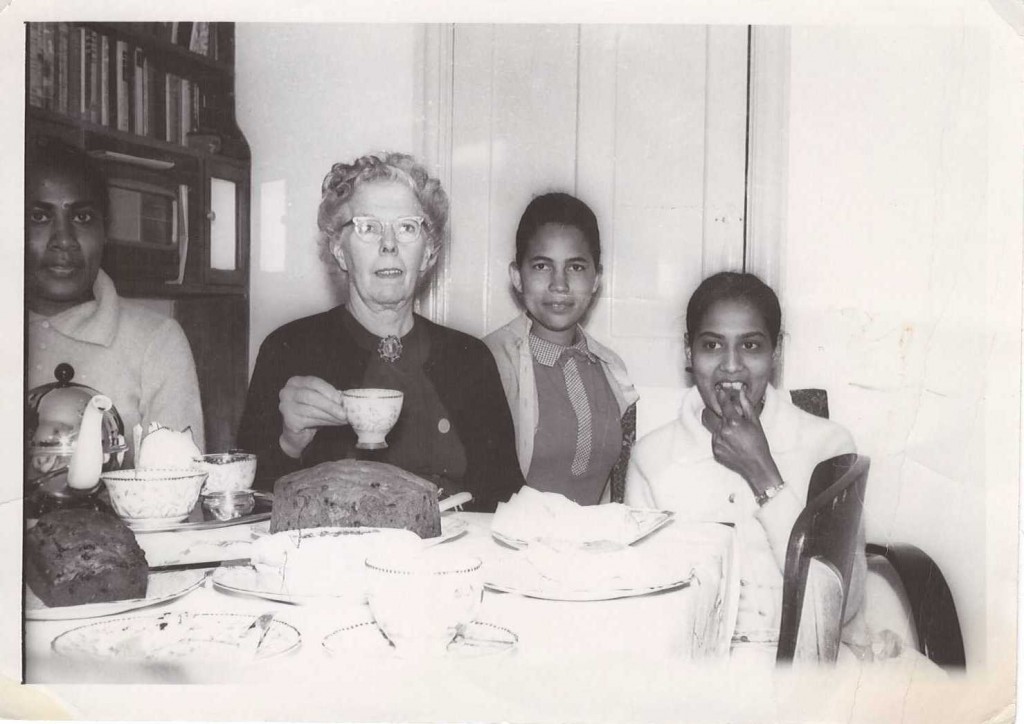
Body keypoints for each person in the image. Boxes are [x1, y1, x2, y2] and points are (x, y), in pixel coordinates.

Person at [237, 152, 523, 511]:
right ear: (340, 251)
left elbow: (510, 502)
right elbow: (245, 503)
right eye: (368, 228)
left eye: (407, 227)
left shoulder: (470, 359)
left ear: (429, 252)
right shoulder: (289, 349)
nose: (389, 245)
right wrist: (289, 442)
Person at [625, 271, 866, 653]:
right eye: (712, 346)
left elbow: (842, 605)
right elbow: (644, 602)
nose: (731, 366)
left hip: (808, 668)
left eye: (751, 346)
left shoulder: (828, 445)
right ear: (689, 352)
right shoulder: (652, 459)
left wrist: (763, 474)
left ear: (776, 353)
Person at [26, 138, 204, 465]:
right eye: (39, 217)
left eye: (82, 218)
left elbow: (178, 492)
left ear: (105, 230)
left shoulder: (156, 340)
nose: (64, 241)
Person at [484, 193, 638, 505]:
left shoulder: (612, 371)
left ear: (597, 279)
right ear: (517, 276)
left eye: (576, 267)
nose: (560, 284)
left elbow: (619, 493)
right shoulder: (488, 362)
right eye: (542, 266)